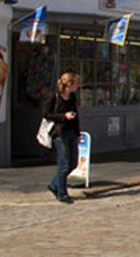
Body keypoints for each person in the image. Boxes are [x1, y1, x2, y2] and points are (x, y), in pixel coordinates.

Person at [45, 71, 81, 203]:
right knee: (64, 164)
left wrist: (78, 133)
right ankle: (62, 193)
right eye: (76, 84)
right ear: (69, 84)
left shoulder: (72, 97)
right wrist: (63, 116)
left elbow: (76, 116)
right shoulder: (54, 97)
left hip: (71, 131)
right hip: (59, 133)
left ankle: (54, 185)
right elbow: (46, 114)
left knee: (73, 163)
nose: (77, 87)